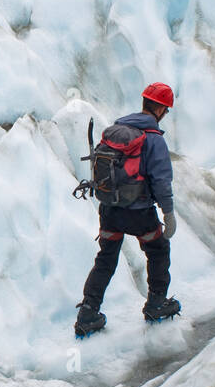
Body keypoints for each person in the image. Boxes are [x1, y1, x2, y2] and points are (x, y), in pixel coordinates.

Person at [74, 82, 181, 337]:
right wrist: (168, 213)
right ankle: (156, 303)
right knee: (157, 250)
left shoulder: (114, 130)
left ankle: (88, 313)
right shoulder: (153, 140)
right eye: (165, 109)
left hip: (109, 208)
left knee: (106, 258)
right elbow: (161, 180)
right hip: (139, 212)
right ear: (160, 109)